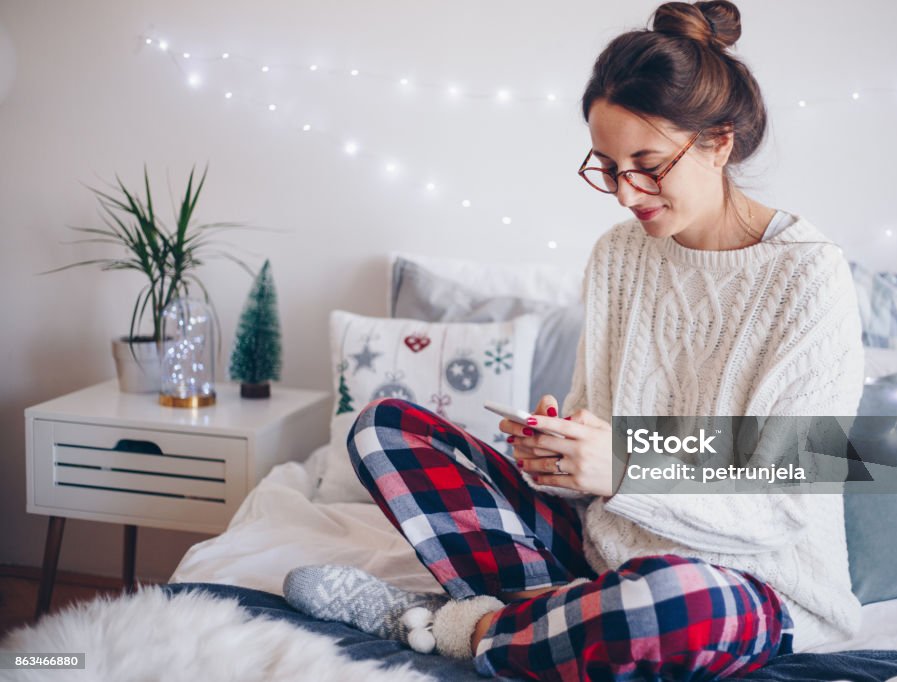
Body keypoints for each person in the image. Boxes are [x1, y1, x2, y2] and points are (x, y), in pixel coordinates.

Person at [283, 1, 865, 679]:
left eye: (647, 164)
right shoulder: (619, 256)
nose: (625, 194)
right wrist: (559, 454)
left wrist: (620, 466)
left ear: (719, 142)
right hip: (599, 553)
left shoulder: (808, 276)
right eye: (608, 168)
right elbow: (598, 432)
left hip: (748, 584)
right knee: (382, 429)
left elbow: (785, 503)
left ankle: (459, 626)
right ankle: (555, 611)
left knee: (672, 606)